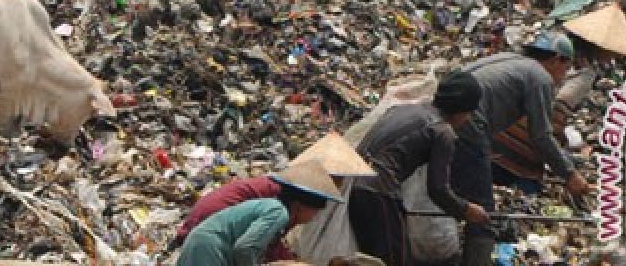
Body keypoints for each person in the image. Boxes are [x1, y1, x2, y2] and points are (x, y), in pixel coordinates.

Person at [451, 32, 591, 266]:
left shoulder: (508, 59)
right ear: (557, 60)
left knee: (449, 189)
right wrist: (569, 174)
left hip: (448, 116)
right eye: (565, 70)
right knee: (485, 210)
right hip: (469, 125)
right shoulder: (540, 78)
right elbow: (541, 136)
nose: (561, 78)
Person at [492, 4, 626, 195]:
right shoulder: (582, 72)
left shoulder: (550, 48)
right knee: (524, 188)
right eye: (612, 52)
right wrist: (565, 167)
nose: (613, 57)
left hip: (494, 129)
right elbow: (555, 112)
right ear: (601, 47)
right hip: (522, 141)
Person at [347, 71, 490, 266]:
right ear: (461, 111)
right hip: (379, 191)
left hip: (354, 183)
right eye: (469, 113)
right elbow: (438, 189)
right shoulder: (442, 131)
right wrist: (465, 210)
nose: (467, 119)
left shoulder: (403, 110)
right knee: (393, 260)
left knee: (371, 259)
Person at [177, 159, 343, 266]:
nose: (315, 217)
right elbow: (244, 249)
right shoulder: (278, 212)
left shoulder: (273, 207)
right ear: (301, 206)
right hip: (208, 248)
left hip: (203, 242)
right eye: (316, 212)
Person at [171, 174, 297, 261]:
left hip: (197, 231)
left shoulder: (262, 193)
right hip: (210, 241)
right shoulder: (278, 209)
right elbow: (246, 248)